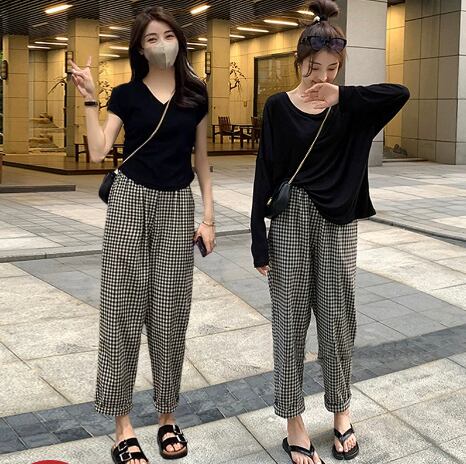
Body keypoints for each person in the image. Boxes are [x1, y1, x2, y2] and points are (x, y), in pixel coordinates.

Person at [250, 1, 409, 463]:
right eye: (313, 66)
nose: (320, 76)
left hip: (338, 223)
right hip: (290, 221)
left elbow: (398, 92)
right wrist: (258, 238)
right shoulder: (278, 107)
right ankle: (293, 422)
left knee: (339, 322)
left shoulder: (350, 108)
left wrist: (344, 96)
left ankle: (341, 412)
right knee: (289, 322)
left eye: (331, 68)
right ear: (297, 61)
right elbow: (265, 171)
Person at [70, 6, 215, 464]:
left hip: (177, 205)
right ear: (139, 48)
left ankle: (167, 417)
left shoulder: (196, 94)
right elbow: (98, 151)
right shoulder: (127, 94)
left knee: (171, 313)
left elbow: (202, 160)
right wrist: (89, 99)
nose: (161, 45)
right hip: (130, 201)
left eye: (168, 35)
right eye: (151, 39)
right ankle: (122, 426)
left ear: (180, 40)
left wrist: (209, 218)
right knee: (122, 309)